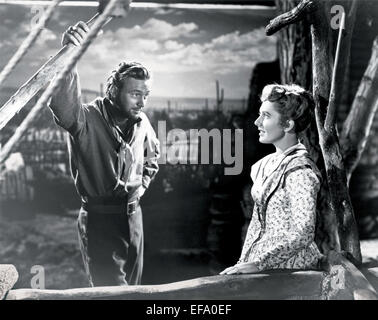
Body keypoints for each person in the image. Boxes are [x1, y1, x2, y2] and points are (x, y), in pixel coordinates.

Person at [48, 21, 160, 286]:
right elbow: (61, 104)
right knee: (111, 292)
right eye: (135, 94)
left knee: (133, 290)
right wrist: (70, 55)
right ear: (114, 91)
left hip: (134, 217)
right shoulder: (85, 118)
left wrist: (141, 187)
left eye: (146, 95)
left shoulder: (142, 121)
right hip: (100, 220)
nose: (142, 102)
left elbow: (152, 157)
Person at [221, 84, 323, 275]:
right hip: (260, 264)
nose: (257, 122)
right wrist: (245, 261)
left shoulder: (300, 171)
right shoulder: (264, 165)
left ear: (288, 124)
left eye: (266, 116)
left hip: (290, 269)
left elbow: (304, 232)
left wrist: (260, 263)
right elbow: (257, 224)